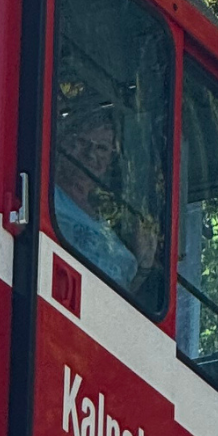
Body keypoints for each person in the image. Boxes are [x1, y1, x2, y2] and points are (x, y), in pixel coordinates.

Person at [52, 109, 162, 298]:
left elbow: (118, 298)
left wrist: (143, 266)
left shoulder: (107, 230)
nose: (91, 155)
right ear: (64, 144)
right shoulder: (47, 196)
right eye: (82, 142)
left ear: (111, 160)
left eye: (102, 148)